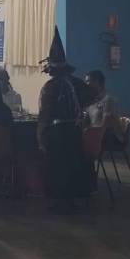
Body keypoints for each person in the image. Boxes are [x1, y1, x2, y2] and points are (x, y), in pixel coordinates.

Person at [37, 27, 95, 213]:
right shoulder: (77, 84)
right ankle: (71, 200)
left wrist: (41, 135)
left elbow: (44, 114)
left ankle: (59, 200)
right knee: (73, 163)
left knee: (57, 166)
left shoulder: (49, 88)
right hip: (74, 130)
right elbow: (91, 98)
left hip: (56, 132)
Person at [84, 70, 122, 147]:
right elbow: (87, 122)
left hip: (108, 137)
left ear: (98, 82)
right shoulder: (92, 101)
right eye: (86, 81)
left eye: (88, 81)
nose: (86, 84)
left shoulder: (108, 100)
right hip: (96, 135)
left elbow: (105, 126)